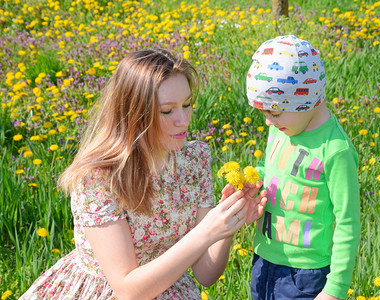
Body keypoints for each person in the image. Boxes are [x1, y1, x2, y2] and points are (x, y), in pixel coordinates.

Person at [20, 48, 267, 299]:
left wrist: (225, 223)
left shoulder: (193, 161)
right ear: (134, 114)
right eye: (167, 111)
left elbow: (205, 275)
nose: (183, 119)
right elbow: (128, 290)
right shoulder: (99, 178)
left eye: (187, 104)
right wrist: (205, 232)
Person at [244, 35, 361, 300]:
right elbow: (273, 169)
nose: (268, 122)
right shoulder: (283, 128)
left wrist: (335, 289)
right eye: (264, 112)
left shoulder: (335, 151)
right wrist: (255, 179)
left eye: (273, 112)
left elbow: (348, 223)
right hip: (264, 258)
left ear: (306, 101)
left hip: (305, 276)